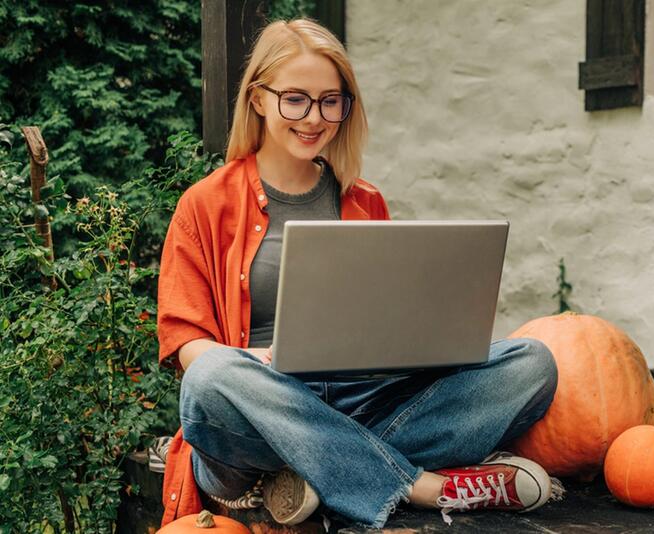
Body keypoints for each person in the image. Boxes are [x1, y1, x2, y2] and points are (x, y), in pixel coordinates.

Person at [156, 18, 559, 528]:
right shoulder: (204, 204)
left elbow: (386, 325)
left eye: (331, 100)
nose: (314, 117)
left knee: (532, 361)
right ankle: (418, 485)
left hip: (363, 403)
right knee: (211, 377)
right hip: (256, 417)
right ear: (258, 99)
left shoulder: (364, 201)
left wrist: (417, 349)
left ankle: (309, 479)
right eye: (295, 99)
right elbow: (187, 343)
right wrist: (253, 360)